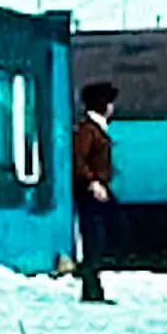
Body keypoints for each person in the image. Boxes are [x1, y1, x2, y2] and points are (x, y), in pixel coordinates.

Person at [73, 81, 120, 304]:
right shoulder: (88, 130)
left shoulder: (95, 129)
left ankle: (94, 287)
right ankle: (91, 288)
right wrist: (92, 181)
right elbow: (79, 158)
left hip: (99, 189)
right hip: (91, 190)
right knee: (93, 237)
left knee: (99, 238)